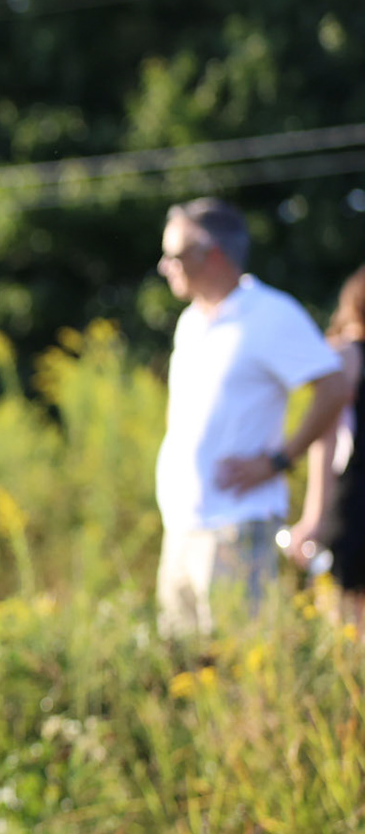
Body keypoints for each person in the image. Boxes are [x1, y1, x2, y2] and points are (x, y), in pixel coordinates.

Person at [153, 197, 347, 637]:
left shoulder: (271, 314)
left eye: (175, 256)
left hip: (237, 525)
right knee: (182, 663)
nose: (165, 267)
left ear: (212, 254)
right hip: (182, 524)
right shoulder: (190, 321)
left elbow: (333, 388)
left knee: (239, 661)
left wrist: (279, 460)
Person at [285, 266, 365, 624]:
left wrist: (313, 516)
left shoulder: (347, 355)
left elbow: (327, 439)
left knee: (342, 620)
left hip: (352, 501)